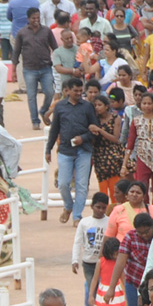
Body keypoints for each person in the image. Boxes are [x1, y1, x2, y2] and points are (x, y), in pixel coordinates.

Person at [46, 78, 98, 224]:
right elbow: (54, 129)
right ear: (67, 91)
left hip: (84, 150)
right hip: (65, 150)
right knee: (63, 183)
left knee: (82, 185)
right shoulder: (60, 106)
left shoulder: (88, 107)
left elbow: (95, 128)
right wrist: (48, 149)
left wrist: (83, 138)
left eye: (81, 91)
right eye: (75, 91)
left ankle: (77, 216)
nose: (79, 94)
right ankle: (68, 206)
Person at [12, 8, 58, 130]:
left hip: (46, 68)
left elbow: (55, 48)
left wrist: (58, 63)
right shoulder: (22, 33)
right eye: (33, 18)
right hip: (29, 69)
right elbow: (16, 52)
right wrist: (13, 70)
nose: (36, 20)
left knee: (49, 92)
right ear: (28, 19)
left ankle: (43, 110)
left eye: (38, 18)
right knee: (31, 95)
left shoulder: (47, 31)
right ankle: (35, 120)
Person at [107, 211, 153, 306]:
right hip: (133, 284)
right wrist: (111, 288)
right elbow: (120, 262)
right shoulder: (130, 237)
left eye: (146, 232)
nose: (144, 235)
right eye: (140, 233)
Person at [72, 193, 111, 306]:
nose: (100, 210)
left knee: (104, 290)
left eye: (103, 208)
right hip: (89, 263)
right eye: (98, 207)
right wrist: (75, 260)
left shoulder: (109, 222)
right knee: (92, 292)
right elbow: (78, 242)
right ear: (91, 206)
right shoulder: (84, 223)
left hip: (105, 263)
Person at [88, 94, 126, 198]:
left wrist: (100, 130)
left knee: (114, 186)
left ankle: (114, 209)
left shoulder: (115, 118)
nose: (97, 107)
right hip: (99, 153)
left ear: (106, 106)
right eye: (95, 105)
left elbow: (115, 138)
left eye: (100, 105)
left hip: (113, 153)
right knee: (102, 184)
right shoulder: (94, 119)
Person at [92, 237, 128, 306]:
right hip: (102, 291)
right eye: (114, 254)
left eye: (118, 254)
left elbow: (123, 279)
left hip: (116, 292)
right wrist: (91, 295)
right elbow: (95, 279)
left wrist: (126, 294)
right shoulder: (101, 262)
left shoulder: (119, 263)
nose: (116, 256)